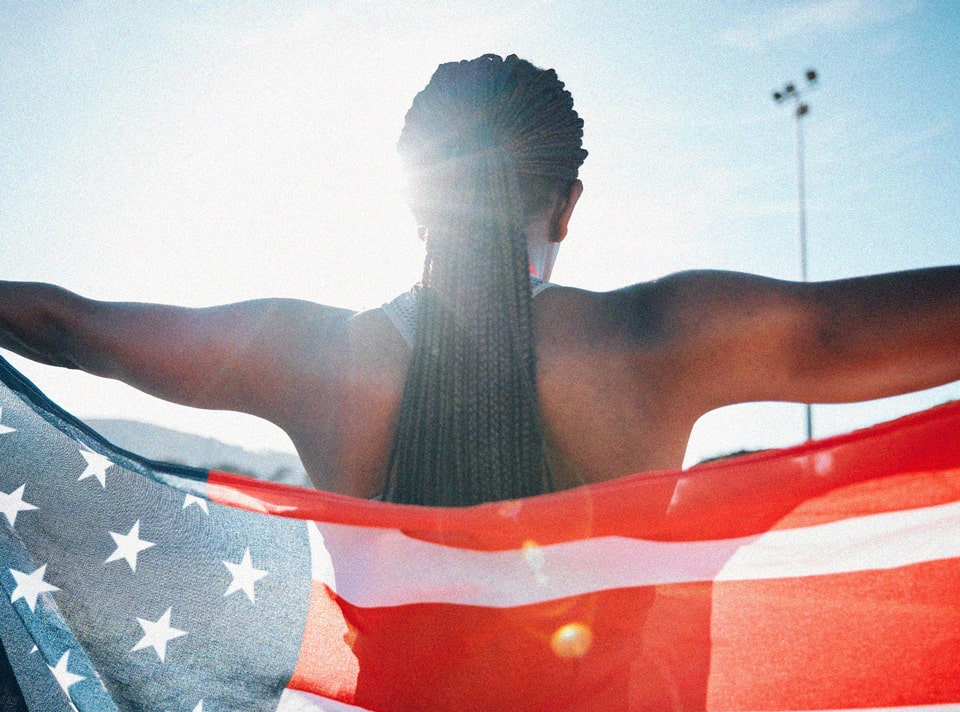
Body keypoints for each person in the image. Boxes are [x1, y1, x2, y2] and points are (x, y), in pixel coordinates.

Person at [1, 54, 959, 506]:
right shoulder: (663, 336)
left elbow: (71, 328)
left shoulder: (313, 358)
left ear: (414, 201)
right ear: (568, 202)